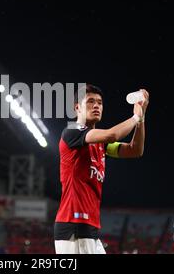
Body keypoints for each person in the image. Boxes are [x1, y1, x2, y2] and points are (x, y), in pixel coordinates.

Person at [54, 84, 149, 254]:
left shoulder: (101, 145)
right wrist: (135, 116)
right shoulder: (72, 131)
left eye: (99, 102)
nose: (96, 105)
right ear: (77, 108)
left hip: (90, 227)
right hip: (73, 224)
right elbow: (112, 134)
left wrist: (141, 119)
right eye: (90, 101)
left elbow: (135, 150)